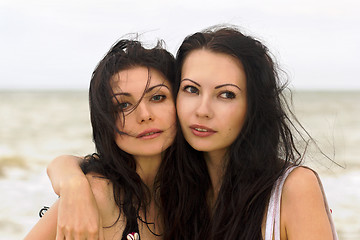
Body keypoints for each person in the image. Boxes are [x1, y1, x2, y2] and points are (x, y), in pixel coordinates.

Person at [43, 26, 338, 240]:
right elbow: (90, 167)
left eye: (226, 95)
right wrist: (72, 184)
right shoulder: (178, 195)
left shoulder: (291, 190)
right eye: (191, 90)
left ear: (253, 106)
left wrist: (71, 180)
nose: (202, 110)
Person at [24, 38, 177, 240]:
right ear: (105, 121)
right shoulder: (96, 195)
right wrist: (74, 184)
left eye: (157, 97)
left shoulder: (194, 193)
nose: (144, 114)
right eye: (123, 105)